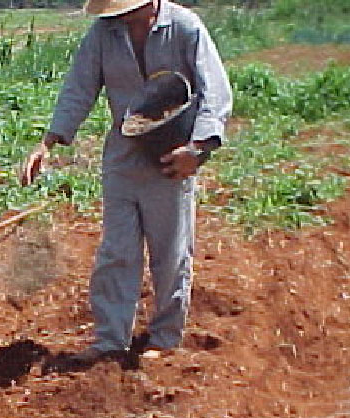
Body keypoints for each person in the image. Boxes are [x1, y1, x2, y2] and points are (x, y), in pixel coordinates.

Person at [22, 0, 231, 370]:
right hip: (122, 156)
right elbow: (79, 87)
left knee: (169, 252)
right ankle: (110, 339)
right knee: (117, 250)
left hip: (172, 156)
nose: (117, 15)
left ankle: (165, 337)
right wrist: (48, 142)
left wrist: (197, 150)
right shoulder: (104, 34)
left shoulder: (184, 28)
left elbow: (215, 91)